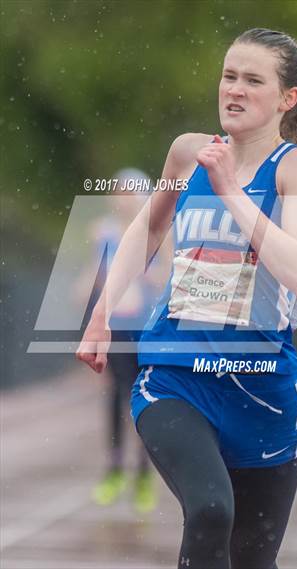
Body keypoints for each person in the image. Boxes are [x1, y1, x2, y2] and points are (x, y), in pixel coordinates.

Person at [77, 28, 297, 569]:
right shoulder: (188, 153)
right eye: (228, 76)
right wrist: (102, 312)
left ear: (287, 99)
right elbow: (148, 232)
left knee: (252, 558)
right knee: (211, 510)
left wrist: (233, 194)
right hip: (176, 374)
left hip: (262, 387)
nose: (234, 90)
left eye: (252, 80)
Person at [80, 169, 170, 513]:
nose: (122, 199)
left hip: (146, 326)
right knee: (117, 394)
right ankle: (115, 470)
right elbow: (97, 273)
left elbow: (166, 274)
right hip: (116, 326)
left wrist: (139, 271)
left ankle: (145, 475)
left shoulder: (159, 230)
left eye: (128, 193)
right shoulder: (103, 232)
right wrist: (87, 290)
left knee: (144, 398)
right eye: (117, 193)